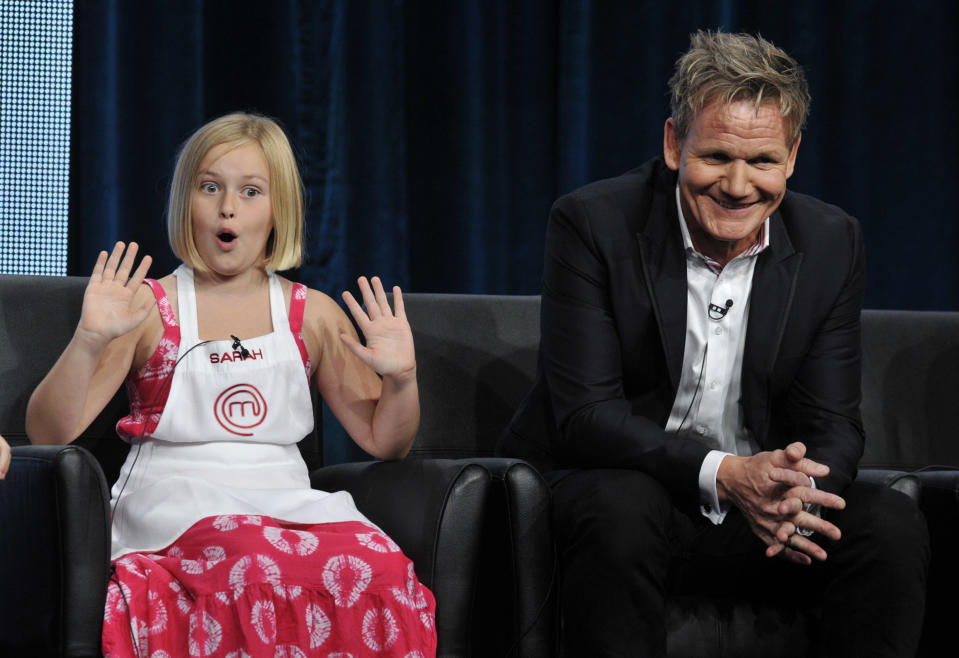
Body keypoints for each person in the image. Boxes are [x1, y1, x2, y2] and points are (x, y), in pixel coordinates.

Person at [499, 30, 928, 656]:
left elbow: (834, 422)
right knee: (622, 508)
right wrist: (726, 475)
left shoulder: (832, 242)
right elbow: (585, 414)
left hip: (759, 516)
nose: (737, 185)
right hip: (626, 496)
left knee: (887, 524)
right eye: (717, 156)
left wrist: (793, 493)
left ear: (792, 157)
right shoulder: (594, 223)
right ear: (675, 144)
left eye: (761, 162)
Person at [26, 113, 436, 657]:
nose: (227, 208)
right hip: (176, 502)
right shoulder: (151, 306)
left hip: (288, 503)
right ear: (186, 201)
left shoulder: (312, 313)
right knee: (249, 562)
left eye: (250, 191)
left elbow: (388, 441)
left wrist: (403, 380)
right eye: (210, 187)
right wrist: (88, 339)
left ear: (277, 210)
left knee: (377, 566)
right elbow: (48, 430)